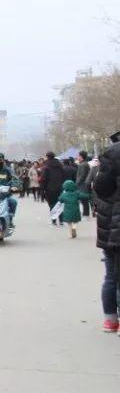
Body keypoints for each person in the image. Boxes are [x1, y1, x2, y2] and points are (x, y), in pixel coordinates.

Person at [95, 131, 120, 332]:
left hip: (111, 225)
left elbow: (100, 188)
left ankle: (111, 321)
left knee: (112, 275)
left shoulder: (111, 155)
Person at [41, 151, 66, 219]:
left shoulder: (46, 166)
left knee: (52, 203)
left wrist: (43, 189)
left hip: (50, 188)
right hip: (60, 187)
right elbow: (64, 175)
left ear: (47, 156)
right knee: (60, 203)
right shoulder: (60, 165)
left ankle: (54, 219)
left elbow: (43, 178)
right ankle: (61, 220)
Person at [76, 151, 92, 218]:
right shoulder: (84, 164)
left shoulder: (83, 164)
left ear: (81, 156)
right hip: (84, 184)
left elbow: (81, 176)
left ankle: (86, 214)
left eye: (78, 156)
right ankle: (86, 213)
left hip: (83, 184)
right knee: (84, 199)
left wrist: (77, 183)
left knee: (84, 199)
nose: (77, 157)